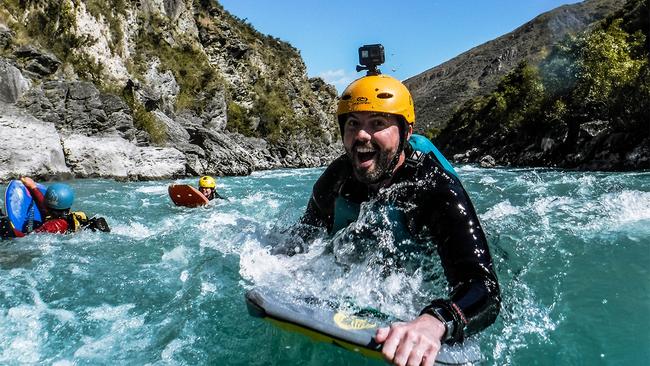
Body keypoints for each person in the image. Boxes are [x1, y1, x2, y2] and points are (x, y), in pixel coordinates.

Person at [296, 73, 500, 365]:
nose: (362, 135)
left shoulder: (433, 187)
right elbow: (304, 238)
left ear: (405, 132)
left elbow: (483, 287)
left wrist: (435, 321)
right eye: (353, 123)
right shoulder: (336, 179)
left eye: (378, 123)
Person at [18, 177, 109, 234]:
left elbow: (29, 237)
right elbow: (45, 207)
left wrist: (12, 231)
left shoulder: (52, 226)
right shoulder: (74, 216)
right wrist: (33, 187)